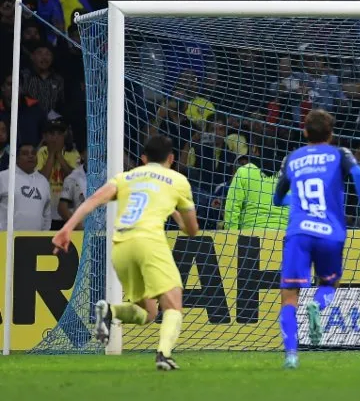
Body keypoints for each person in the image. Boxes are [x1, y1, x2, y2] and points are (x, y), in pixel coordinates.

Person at [52, 135, 199, 371]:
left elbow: (92, 201)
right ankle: (164, 354)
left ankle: (109, 310)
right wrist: (177, 215)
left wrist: (66, 228)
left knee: (148, 312)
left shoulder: (126, 177)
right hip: (149, 242)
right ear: (171, 158)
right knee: (173, 303)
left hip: (120, 246)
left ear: (143, 159)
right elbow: (192, 230)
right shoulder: (177, 180)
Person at [271, 109, 360, 369]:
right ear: (331, 133)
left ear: (304, 132)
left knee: (289, 296)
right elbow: (359, 176)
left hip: (299, 232)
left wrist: (296, 202)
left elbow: (277, 199)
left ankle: (291, 355)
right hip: (330, 232)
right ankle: (317, 304)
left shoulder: (293, 158)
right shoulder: (340, 154)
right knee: (329, 284)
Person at [223, 154, 289, 230]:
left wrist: (232, 237)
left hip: (250, 237)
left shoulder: (244, 171)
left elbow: (232, 208)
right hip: (283, 237)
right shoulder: (289, 173)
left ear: (254, 149)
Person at [0, 142, 52, 231]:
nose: (30, 156)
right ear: (16, 158)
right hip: (6, 240)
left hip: (35, 240)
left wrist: (43, 235)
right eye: (25, 153)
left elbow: (46, 214)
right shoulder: (3, 177)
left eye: (33, 153)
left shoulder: (43, 181)